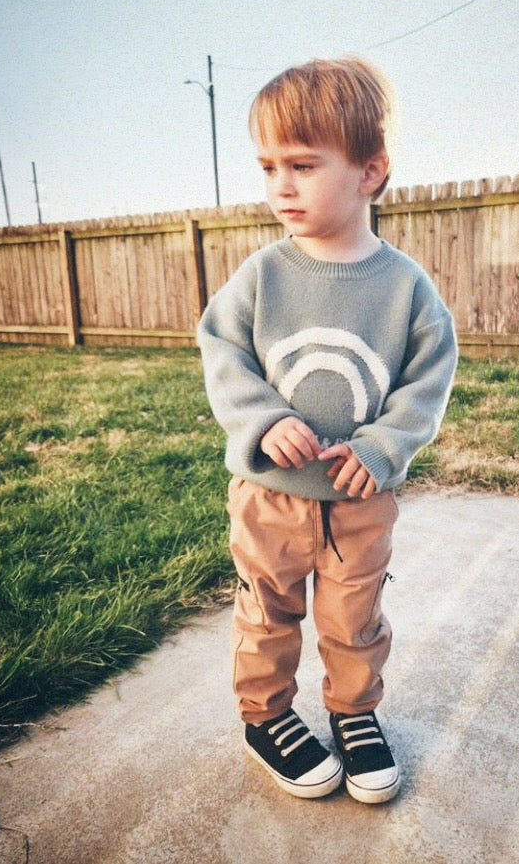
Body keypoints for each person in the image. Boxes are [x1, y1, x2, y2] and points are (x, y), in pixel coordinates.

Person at [197, 57, 457, 804]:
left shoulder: (404, 286)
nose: (280, 184)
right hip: (269, 497)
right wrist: (261, 418)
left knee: (353, 618)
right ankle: (266, 717)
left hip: (357, 496)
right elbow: (222, 349)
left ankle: (354, 713)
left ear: (370, 171)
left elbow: (426, 377)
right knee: (267, 614)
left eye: (303, 165)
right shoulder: (262, 275)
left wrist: (382, 446)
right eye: (269, 165)